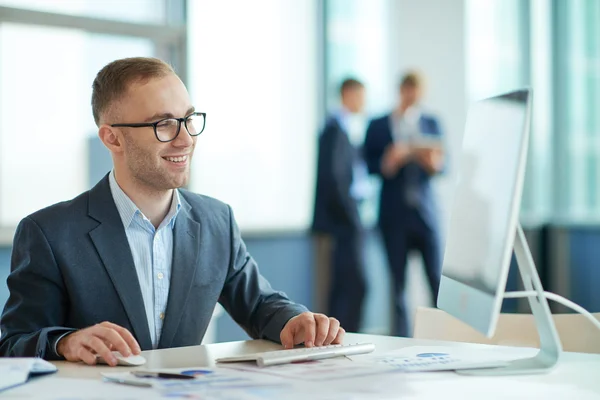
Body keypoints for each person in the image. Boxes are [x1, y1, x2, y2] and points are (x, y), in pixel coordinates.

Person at [0, 57, 344, 365]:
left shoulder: (216, 221)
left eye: (189, 119)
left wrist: (295, 321)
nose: (186, 139)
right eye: (163, 124)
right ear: (112, 139)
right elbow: (13, 342)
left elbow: (258, 305)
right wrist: (65, 342)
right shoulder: (49, 233)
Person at [363, 71, 445, 337]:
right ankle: (401, 340)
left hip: (426, 214)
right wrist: (389, 161)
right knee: (397, 286)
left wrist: (433, 163)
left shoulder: (432, 123)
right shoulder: (378, 124)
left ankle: (445, 337)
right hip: (393, 216)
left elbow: (445, 165)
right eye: (409, 91)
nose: (413, 97)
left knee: (437, 282)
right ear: (401, 91)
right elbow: (369, 165)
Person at [311, 78, 368, 333]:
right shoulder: (335, 129)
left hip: (346, 222)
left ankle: (338, 336)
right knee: (353, 287)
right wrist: (352, 217)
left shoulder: (344, 129)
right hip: (342, 225)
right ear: (348, 94)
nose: (363, 103)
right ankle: (346, 337)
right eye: (361, 96)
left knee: (344, 288)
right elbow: (334, 180)